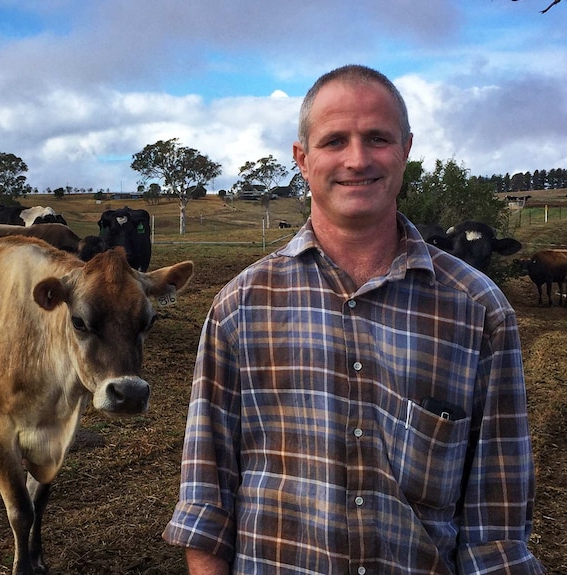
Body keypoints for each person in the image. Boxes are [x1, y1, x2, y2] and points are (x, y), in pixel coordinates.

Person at [162, 64, 544, 574]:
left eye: (377, 138)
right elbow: (207, 503)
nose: (357, 159)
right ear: (302, 158)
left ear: (406, 149)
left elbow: (496, 530)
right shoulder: (240, 307)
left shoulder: (478, 309)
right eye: (334, 140)